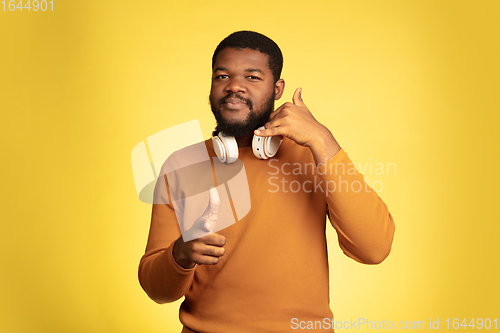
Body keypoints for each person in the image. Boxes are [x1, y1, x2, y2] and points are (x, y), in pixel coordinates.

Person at [138, 30, 395, 333]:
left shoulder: (314, 156)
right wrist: (180, 254)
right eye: (222, 76)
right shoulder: (181, 166)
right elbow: (157, 291)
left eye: (253, 77)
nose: (234, 86)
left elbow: (374, 249)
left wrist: (323, 141)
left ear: (278, 88)